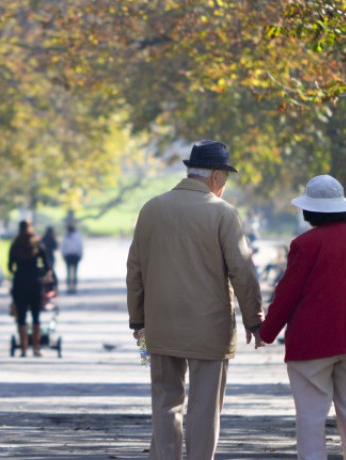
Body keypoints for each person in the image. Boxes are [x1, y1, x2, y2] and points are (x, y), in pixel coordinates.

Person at [127, 139, 264, 460]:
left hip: (160, 326)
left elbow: (135, 268)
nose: (225, 186)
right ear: (216, 177)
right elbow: (242, 270)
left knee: (165, 402)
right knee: (204, 407)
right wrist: (254, 319)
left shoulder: (152, 208)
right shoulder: (222, 214)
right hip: (209, 328)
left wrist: (138, 320)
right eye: (225, 179)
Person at [258, 174, 346, 460]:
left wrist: (266, 332)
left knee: (311, 415)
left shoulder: (305, 244)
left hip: (312, 344)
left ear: (311, 210)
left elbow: (288, 293)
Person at [8, 220, 52, 357]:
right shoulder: (37, 244)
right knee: (36, 316)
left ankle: (23, 348)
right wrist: (43, 275)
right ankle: (36, 347)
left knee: (21, 316)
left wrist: (17, 272)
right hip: (35, 283)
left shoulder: (15, 244)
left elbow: (10, 266)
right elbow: (47, 266)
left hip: (20, 283)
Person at [61, 224, 84, 294]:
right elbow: (80, 246)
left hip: (68, 255)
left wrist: (63, 255)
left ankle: (70, 286)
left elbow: (63, 247)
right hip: (74, 255)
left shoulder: (65, 237)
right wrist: (80, 254)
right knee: (74, 272)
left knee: (68, 272)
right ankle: (73, 286)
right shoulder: (77, 237)